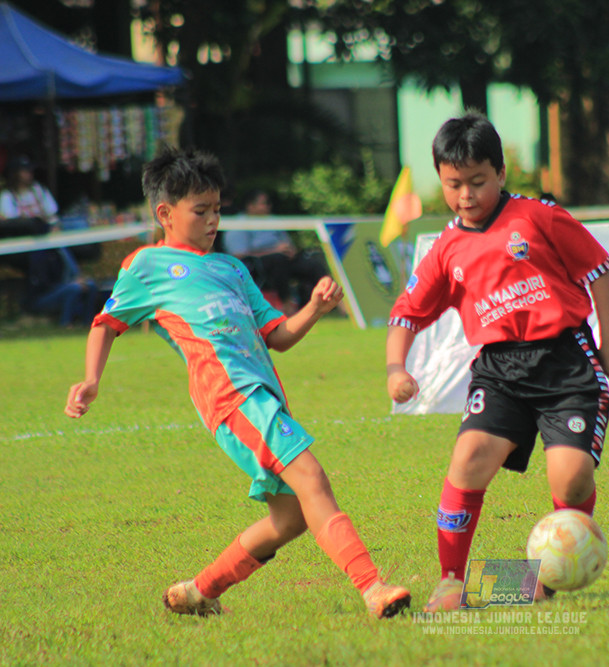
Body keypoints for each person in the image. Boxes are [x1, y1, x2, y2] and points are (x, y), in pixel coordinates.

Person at [63, 146, 410, 619]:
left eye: (218, 209)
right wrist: (91, 379)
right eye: (200, 211)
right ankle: (372, 588)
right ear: (165, 214)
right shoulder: (146, 266)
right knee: (312, 479)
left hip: (264, 398)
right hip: (231, 397)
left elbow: (278, 337)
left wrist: (315, 308)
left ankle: (199, 591)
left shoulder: (233, 269)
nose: (213, 220)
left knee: (289, 519)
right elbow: (106, 323)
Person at [384, 113, 609, 612]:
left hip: (565, 362)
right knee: (468, 460)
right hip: (498, 370)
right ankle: (453, 583)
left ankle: (549, 574)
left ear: (500, 173)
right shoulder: (447, 248)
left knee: (570, 479)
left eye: (478, 181)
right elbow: (406, 313)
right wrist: (395, 368)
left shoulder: (538, 218)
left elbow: (600, 268)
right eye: (454, 184)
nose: (466, 195)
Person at [223, 189, 329, 314]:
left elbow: (287, 243)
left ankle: (329, 299)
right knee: (278, 260)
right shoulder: (238, 224)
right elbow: (239, 254)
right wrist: (274, 251)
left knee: (312, 264)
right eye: (264, 203)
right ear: (250, 206)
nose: (268, 206)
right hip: (257, 265)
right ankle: (287, 304)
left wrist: (290, 251)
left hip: (283, 260)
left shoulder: (273, 220)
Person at [22, 246, 98, 327]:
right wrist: (70, 284)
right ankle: (66, 323)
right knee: (73, 288)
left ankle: (88, 322)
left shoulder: (63, 250)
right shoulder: (40, 254)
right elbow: (43, 284)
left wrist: (79, 280)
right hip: (42, 296)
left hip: (65, 286)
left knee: (90, 285)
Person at [0, 154, 58, 225]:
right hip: (22, 231)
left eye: (30, 170)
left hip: (43, 229)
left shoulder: (39, 189)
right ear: (16, 174)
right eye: (25, 171)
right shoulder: (7, 195)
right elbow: (10, 221)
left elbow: (52, 213)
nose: (29, 174)